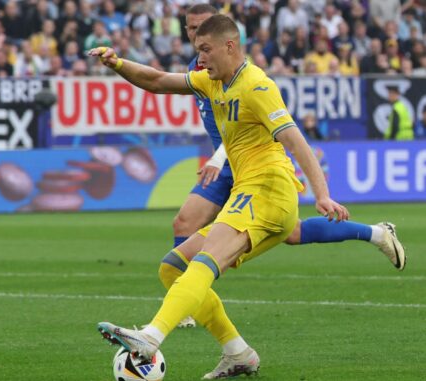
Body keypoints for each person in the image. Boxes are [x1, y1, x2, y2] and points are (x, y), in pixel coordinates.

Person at [88, 14, 386, 379]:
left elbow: (297, 141)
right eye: (197, 50)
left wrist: (321, 195)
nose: (200, 59)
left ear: (229, 46)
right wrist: (117, 63)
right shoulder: (212, 82)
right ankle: (238, 352)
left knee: (204, 262)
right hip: (251, 193)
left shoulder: (257, 86)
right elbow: (156, 80)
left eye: (205, 49)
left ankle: (150, 337)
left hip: (267, 190)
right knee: (173, 266)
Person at [171, 5, 405, 335]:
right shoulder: (199, 67)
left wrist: (217, 158)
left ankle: (376, 233)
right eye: (189, 28)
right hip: (229, 164)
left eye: (199, 28)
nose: (194, 34)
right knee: (188, 221)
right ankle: (188, 303)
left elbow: (246, 125)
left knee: (288, 233)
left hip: (244, 164)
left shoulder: (241, 73)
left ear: (222, 36)